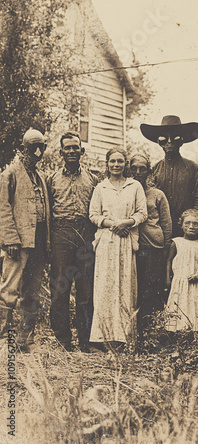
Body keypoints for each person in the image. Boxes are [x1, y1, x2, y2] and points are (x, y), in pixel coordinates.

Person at [89, 147, 147, 347]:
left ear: (125, 165)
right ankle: (101, 338)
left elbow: (142, 213)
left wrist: (127, 223)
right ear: (107, 164)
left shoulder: (134, 186)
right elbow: (93, 215)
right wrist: (113, 224)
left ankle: (123, 338)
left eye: (120, 161)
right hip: (106, 241)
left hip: (126, 241)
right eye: (112, 161)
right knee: (105, 286)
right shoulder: (101, 187)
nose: (116, 165)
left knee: (125, 286)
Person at [47, 131, 98, 352]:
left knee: (85, 289)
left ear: (82, 151)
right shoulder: (52, 180)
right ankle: (63, 341)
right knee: (60, 288)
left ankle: (86, 341)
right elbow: (48, 213)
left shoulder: (93, 179)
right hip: (61, 235)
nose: (71, 151)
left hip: (85, 235)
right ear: (61, 152)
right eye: (67, 148)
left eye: (75, 147)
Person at [0, 128, 50, 352]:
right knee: (9, 289)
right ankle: (4, 340)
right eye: (33, 147)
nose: (37, 152)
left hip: (38, 240)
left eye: (41, 147)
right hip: (17, 242)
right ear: (23, 148)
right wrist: (10, 238)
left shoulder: (39, 175)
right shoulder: (10, 173)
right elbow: (3, 208)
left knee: (32, 291)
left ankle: (25, 340)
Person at [140, 115, 198, 237]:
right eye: (164, 139)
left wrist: (190, 222)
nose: (170, 143)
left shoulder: (193, 168)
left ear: (181, 141)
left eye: (175, 139)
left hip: (187, 229)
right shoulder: (155, 169)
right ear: (159, 142)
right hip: (161, 228)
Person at [130, 153, 172, 338]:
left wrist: (166, 250)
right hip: (132, 247)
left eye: (142, 168)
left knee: (152, 291)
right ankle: (134, 334)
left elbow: (166, 223)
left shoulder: (157, 195)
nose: (138, 172)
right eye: (134, 168)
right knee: (135, 291)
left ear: (149, 171)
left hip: (153, 247)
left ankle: (151, 335)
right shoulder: (127, 190)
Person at [165, 209, 198, 333]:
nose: (191, 227)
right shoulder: (176, 243)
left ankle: (197, 331)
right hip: (179, 282)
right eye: (187, 223)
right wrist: (168, 279)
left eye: (195, 224)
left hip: (196, 282)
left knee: (195, 306)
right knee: (178, 305)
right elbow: (169, 261)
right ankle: (177, 333)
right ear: (182, 225)